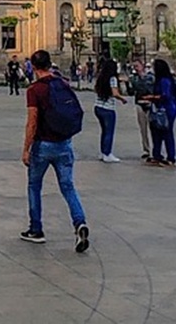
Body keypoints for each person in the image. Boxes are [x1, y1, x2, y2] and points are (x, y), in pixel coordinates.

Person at [21, 49, 90, 253]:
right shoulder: (62, 83)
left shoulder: (35, 90)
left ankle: (36, 229)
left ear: (33, 67)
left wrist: (26, 148)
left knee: (34, 186)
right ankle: (79, 223)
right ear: (50, 64)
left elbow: (32, 122)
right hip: (64, 143)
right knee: (68, 187)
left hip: (43, 145)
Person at [143, 58, 176, 167]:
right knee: (156, 132)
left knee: (167, 132)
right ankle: (156, 155)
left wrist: (152, 97)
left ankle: (171, 157)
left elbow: (165, 95)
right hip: (158, 108)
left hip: (166, 109)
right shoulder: (158, 80)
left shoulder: (165, 80)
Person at [92, 57, 127, 162]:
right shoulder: (112, 78)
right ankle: (107, 153)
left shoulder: (101, 78)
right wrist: (122, 99)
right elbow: (114, 93)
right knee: (109, 132)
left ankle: (103, 152)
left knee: (104, 131)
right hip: (108, 108)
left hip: (98, 107)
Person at [129, 59, 155, 160]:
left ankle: (155, 149)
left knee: (153, 128)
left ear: (142, 66)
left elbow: (151, 89)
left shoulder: (150, 77)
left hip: (150, 103)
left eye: (137, 66)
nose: (135, 68)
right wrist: (128, 83)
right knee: (143, 129)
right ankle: (146, 149)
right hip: (139, 103)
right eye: (134, 66)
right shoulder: (134, 79)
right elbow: (131, 92)